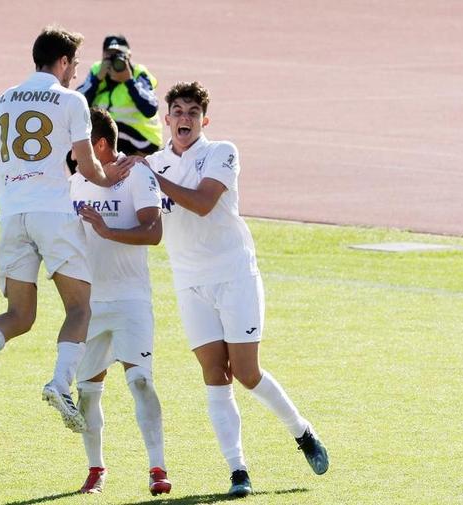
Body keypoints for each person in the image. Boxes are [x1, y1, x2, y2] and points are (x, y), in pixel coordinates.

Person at [145, 81, 329, 497]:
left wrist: (151, 177)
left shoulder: (221, 152)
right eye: (178, 110)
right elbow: (143, 214)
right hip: (189, 282)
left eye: (193, 111)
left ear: (203, 120)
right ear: (167, 118)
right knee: (214, 374)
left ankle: (301, 431)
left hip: (234, 275)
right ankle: (238, 471)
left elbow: (203, 202)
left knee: (245, 373)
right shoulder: (154, 163)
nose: (185, 118)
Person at [0, 26, 132, 433]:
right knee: (80, 307)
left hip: (12, 213)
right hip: (52, 212)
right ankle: (59, 383)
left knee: (20, 314)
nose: (75, 74)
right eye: (74, 65)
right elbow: (87, 167)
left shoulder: (4, 98)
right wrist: (111, 178)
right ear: (64, 61)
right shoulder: (72, 100)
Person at [68, 108, 170, 496]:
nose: (74, 156)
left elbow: (153, 231)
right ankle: (95, 469)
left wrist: (108, 231)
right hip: (88, 305)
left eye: (79, 147)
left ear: (99, 145)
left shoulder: (136, 176)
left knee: (141, 380)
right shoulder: (75, 183)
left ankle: (157, 467)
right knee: (87, 392)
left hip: (130, 300)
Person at [76, 35, 163, 156]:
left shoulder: (138, 74)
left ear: (129, 56)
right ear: (103, 56)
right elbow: (77, 104)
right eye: (109, 55)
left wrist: (129, 81)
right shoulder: (97, 70)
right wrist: (97, 81)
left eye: (119, 55)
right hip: (115, 137)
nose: (114, 61)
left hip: (144, 139)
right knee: (76, 140)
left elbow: (150, 109)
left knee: (110, 129)